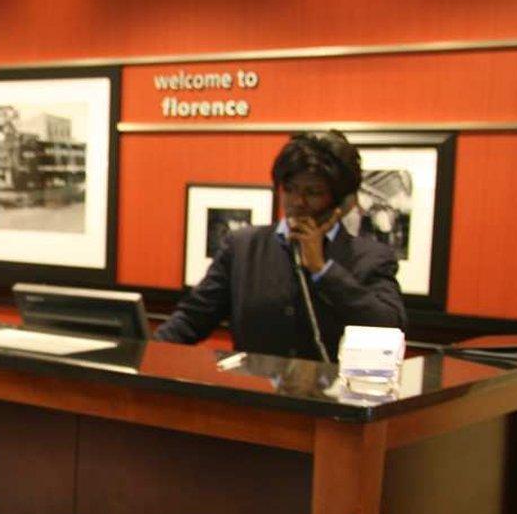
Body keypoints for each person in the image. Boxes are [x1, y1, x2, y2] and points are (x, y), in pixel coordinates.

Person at [155, 130, 405, 359]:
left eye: (313, 192)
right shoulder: (243, 247)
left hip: (333, 400)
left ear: (339, 201)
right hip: (256, 397)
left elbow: (388, 326)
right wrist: (143, 355)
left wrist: (324, 271)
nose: (298, 201)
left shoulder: (370, 257)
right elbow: (192, 319)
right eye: (290, 189)